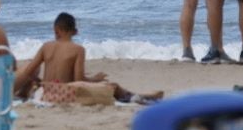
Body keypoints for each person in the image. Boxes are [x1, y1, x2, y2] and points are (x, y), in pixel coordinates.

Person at [12, 12, 161, 104]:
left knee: (34, 83)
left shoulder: (46, 46)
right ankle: (139, 97)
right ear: (75, 32)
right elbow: (79, 80)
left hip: (45, 93)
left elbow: (28, 72)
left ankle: (139, 96)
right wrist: (95, 79)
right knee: (112, 86)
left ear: (55, 30)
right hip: (64, 94)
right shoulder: (78, 49)